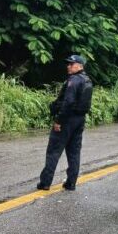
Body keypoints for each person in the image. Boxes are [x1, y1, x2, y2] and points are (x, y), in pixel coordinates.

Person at [37, 55, 93, 191]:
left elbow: (68, 103)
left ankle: (45, 182)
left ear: (80, 65)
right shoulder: (87, 80)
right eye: (68, 64)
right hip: (79, 120)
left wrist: (58, 121)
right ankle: (71, 183)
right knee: (74, 152)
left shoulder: (74, 80)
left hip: (67, 120)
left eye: (71, 64)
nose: (68, 66)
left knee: (54, 151)